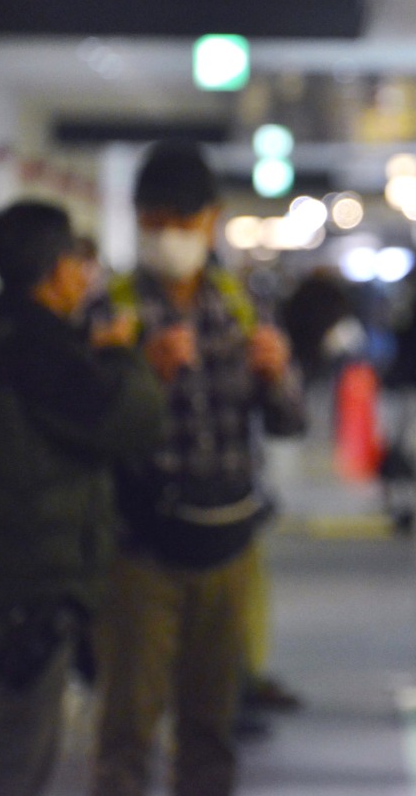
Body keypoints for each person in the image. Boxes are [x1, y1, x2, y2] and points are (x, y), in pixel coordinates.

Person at [92, 140, 305, 796]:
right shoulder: (111, 310)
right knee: (130, 719)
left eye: (184, 222)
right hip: (140, 546)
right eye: (156, 222)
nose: (171, 236)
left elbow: (287, 422)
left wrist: (277, 376)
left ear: (211, 220)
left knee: (212, 722)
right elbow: (90, 429)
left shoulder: (240, 304)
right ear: (136, 220)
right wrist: (139, 373)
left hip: (227, 538)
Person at [0, 200, 166, 796]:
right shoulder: (43, 355)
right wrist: (121, 354)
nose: (86, 278)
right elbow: (130, 423)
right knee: (14, 761)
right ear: (56, 271)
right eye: (79, 264)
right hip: (32, 593)